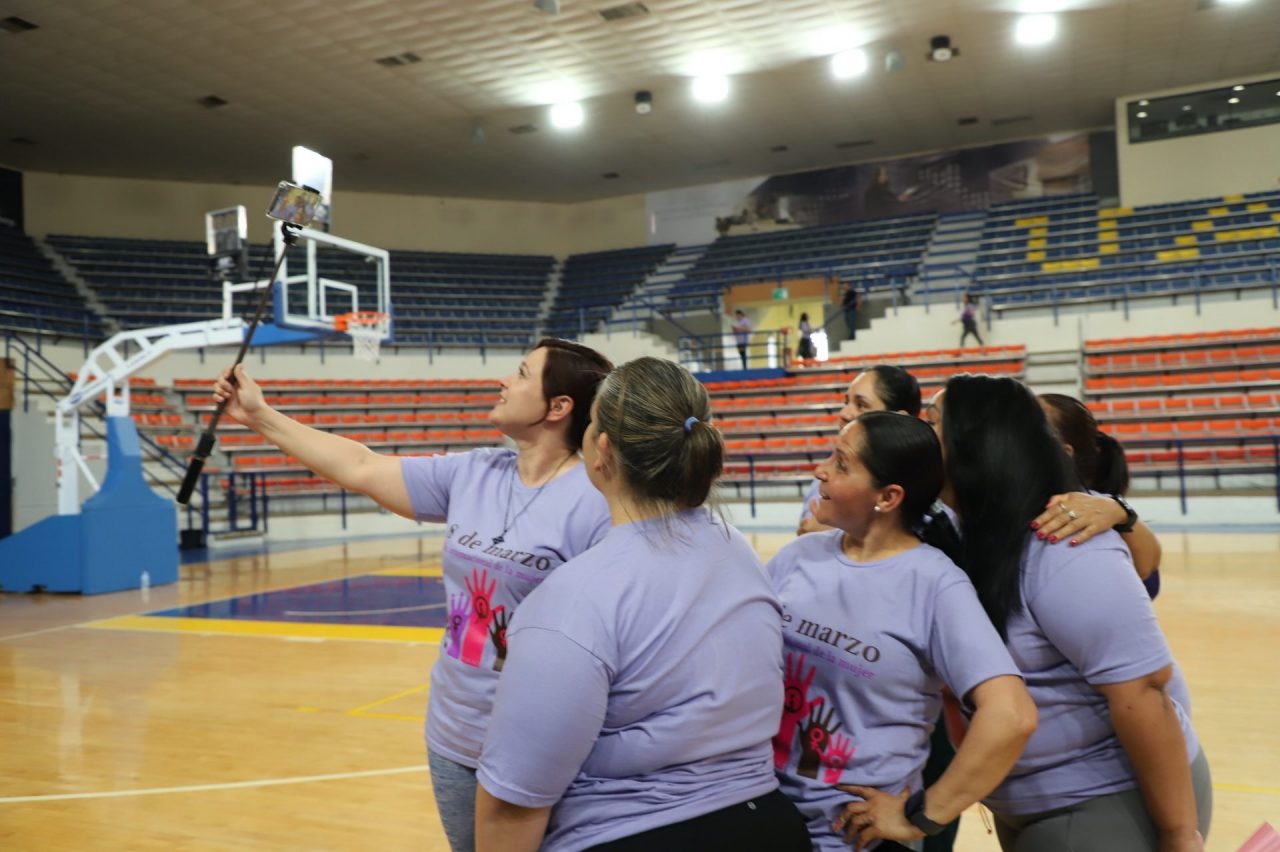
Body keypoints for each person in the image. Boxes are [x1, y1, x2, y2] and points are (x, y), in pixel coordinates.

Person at [211, 339, 615, 852]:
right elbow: (360, 466)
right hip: (454, 732)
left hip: (539, 738)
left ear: (558, 407)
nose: (503, 381)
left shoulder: (596, 501)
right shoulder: (474, 473)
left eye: (520, 374)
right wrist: (259, 415)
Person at [475, 357, 810, 852]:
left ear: (602, 450)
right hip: (768, 823)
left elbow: (513, 804)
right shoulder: (735, 547)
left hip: (632, 831)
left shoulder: (570, 602)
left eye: (591, 423)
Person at [924, 375, 1211, 852]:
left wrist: (1180, 835)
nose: (917, 434)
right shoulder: (958, 532)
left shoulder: (1065, 542)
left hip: (1105, 797)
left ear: (974, 443)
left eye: (932, 422)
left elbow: (1142, 692)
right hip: (1029, 798)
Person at [768, 411, 1037, 850]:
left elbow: (1011, 715)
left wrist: (923, 816)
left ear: (888, 496)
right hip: (770, 815)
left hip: (857, 836)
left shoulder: (935, 583)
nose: (821, 471)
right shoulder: (797, 557)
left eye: (841, 464)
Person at [797, 365, 921, 536]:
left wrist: (837, 532)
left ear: (898, 419)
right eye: (846, 402)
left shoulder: (923, 485)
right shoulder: (826, 473)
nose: (844, 413)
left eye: (861, 405)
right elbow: (806, 528)